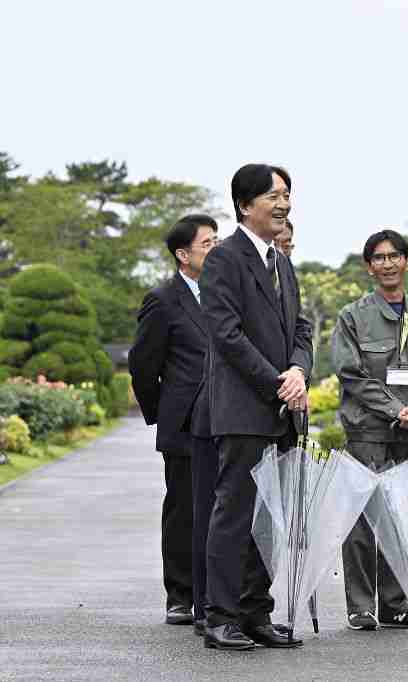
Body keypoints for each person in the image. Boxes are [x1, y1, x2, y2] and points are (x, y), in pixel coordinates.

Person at [199, 164, 313, 651]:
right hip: (245, 410)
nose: (284, 203)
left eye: (287, 194)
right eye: (274, 195)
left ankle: (255, 613)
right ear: (245, 205)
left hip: (281, 413)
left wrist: (299, 371)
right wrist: (276, 382)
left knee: (269, 518)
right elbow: (226, 334)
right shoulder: (225, 258)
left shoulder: (282, 261)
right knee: (236, 513)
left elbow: (301, 330)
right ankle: (219, 617)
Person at [331, 229, 408, 632]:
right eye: (378, 258)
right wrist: (398, 410)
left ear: (407, 262)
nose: (387, 263)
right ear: (368, 267)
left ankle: (396, 605)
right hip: (368, 434)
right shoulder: (353, 316)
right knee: (363, 522)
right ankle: (361, 606)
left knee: (401, 520)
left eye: (394, 256)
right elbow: (351, 375)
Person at [128, 214, 219, 627]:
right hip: (183, 422)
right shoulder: (163, 299)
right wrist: (164, 412)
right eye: (207, 244)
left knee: (222, 509)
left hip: (226, 419)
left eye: (218, 241)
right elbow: (143, 363)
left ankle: (214, 594)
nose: (216, 249)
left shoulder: (226, 293)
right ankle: (180, 595)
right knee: (185, 509)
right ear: (184, 255)